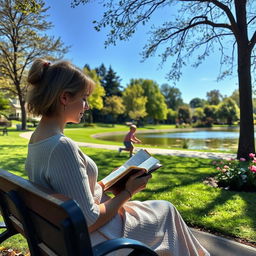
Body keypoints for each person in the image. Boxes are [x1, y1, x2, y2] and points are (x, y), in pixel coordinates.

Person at [25, 58, 210, 256]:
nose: (87, 106)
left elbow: (71, 194)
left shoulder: (37, 140)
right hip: (95, 242)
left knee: (164, 209)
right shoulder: (61, 146)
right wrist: (127, 192)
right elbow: (90, 221)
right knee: (166, 212)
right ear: (65, 98)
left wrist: (106, 183)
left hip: (61, 238)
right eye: (84, 98)